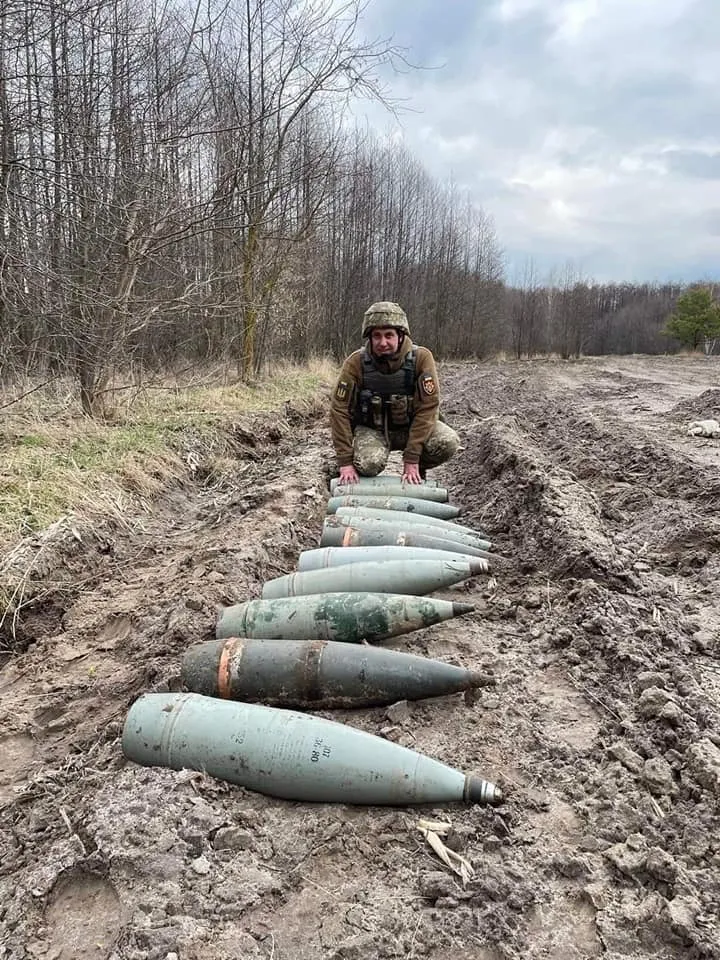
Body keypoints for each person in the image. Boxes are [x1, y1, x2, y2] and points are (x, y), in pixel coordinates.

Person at [329, 301, 460, 485]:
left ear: (400, 336)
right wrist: (344, 461)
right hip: (373, 431)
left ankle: (418, 470)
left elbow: (428, 408)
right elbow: (339, 410)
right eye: (377, 336)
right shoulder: (355, 363)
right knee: (368, 464)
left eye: (389, 335)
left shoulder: (421, 358)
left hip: (410, 429)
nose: (383, 343)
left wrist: (413, 457)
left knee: (448, 442)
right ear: (370, 338)